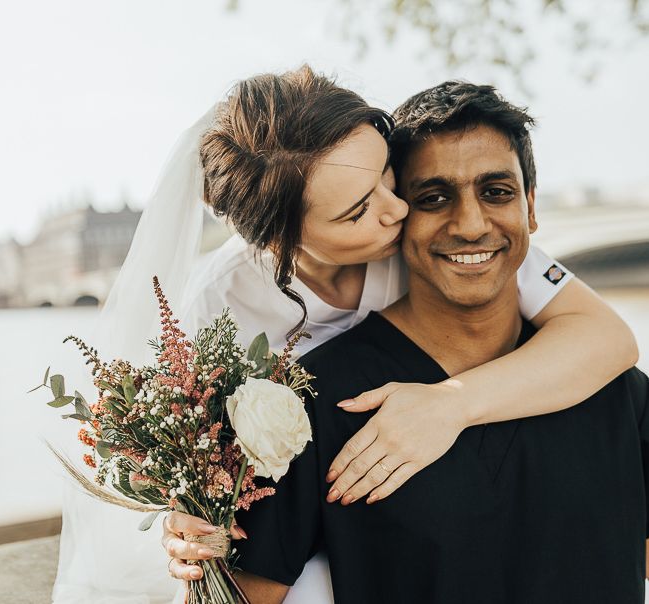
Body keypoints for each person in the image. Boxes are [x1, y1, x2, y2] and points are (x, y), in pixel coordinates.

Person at [50, 67, 635, 604]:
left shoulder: (457, 237)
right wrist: (197, 520)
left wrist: (447, 407)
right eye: (358, 211)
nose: (398, 210)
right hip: (323, 503)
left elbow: (606, 339)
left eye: (388, 177)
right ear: (279, 243)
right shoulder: (216, 309)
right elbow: (204, 471)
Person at [226, 80, 649, 604]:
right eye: (433, 198)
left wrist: (454, 403)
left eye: (497, 193)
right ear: (399, 215)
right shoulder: (306, 408)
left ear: (531, 208)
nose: (471, 225)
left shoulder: (615, 387)